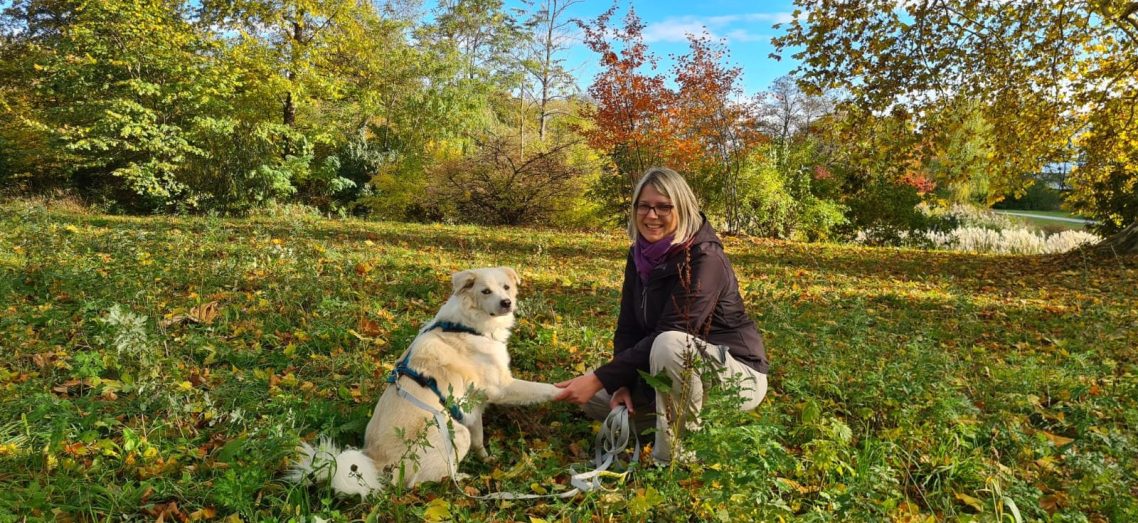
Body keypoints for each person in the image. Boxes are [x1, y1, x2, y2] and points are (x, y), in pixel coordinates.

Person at [554, 166, 769, 465]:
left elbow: (676, 331)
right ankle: (683, 422)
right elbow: (628, 328)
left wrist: (599, 377)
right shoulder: (638, 256)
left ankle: (673, 460)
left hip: (735, 377)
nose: (651, 215)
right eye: (643, 206)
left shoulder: (705, 258)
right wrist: (619, 384)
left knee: (670, 343)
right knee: (595, 399)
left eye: (663, 207)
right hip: (671, 372)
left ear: (682, 207)